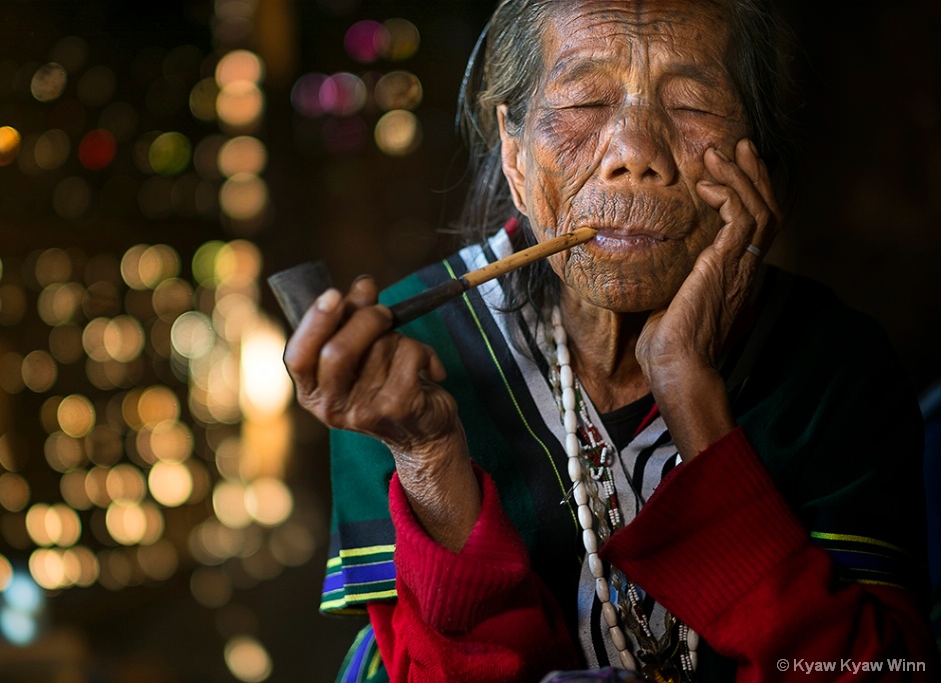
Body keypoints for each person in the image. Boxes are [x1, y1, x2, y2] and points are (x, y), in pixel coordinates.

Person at [283, 0, 938, 680]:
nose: (635, 153)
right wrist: (426, 453)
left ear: (757, 153)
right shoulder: (403, 363)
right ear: (513, 150)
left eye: (691, 103)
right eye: (585, 99)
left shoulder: (834, 363)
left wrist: (688, 388)